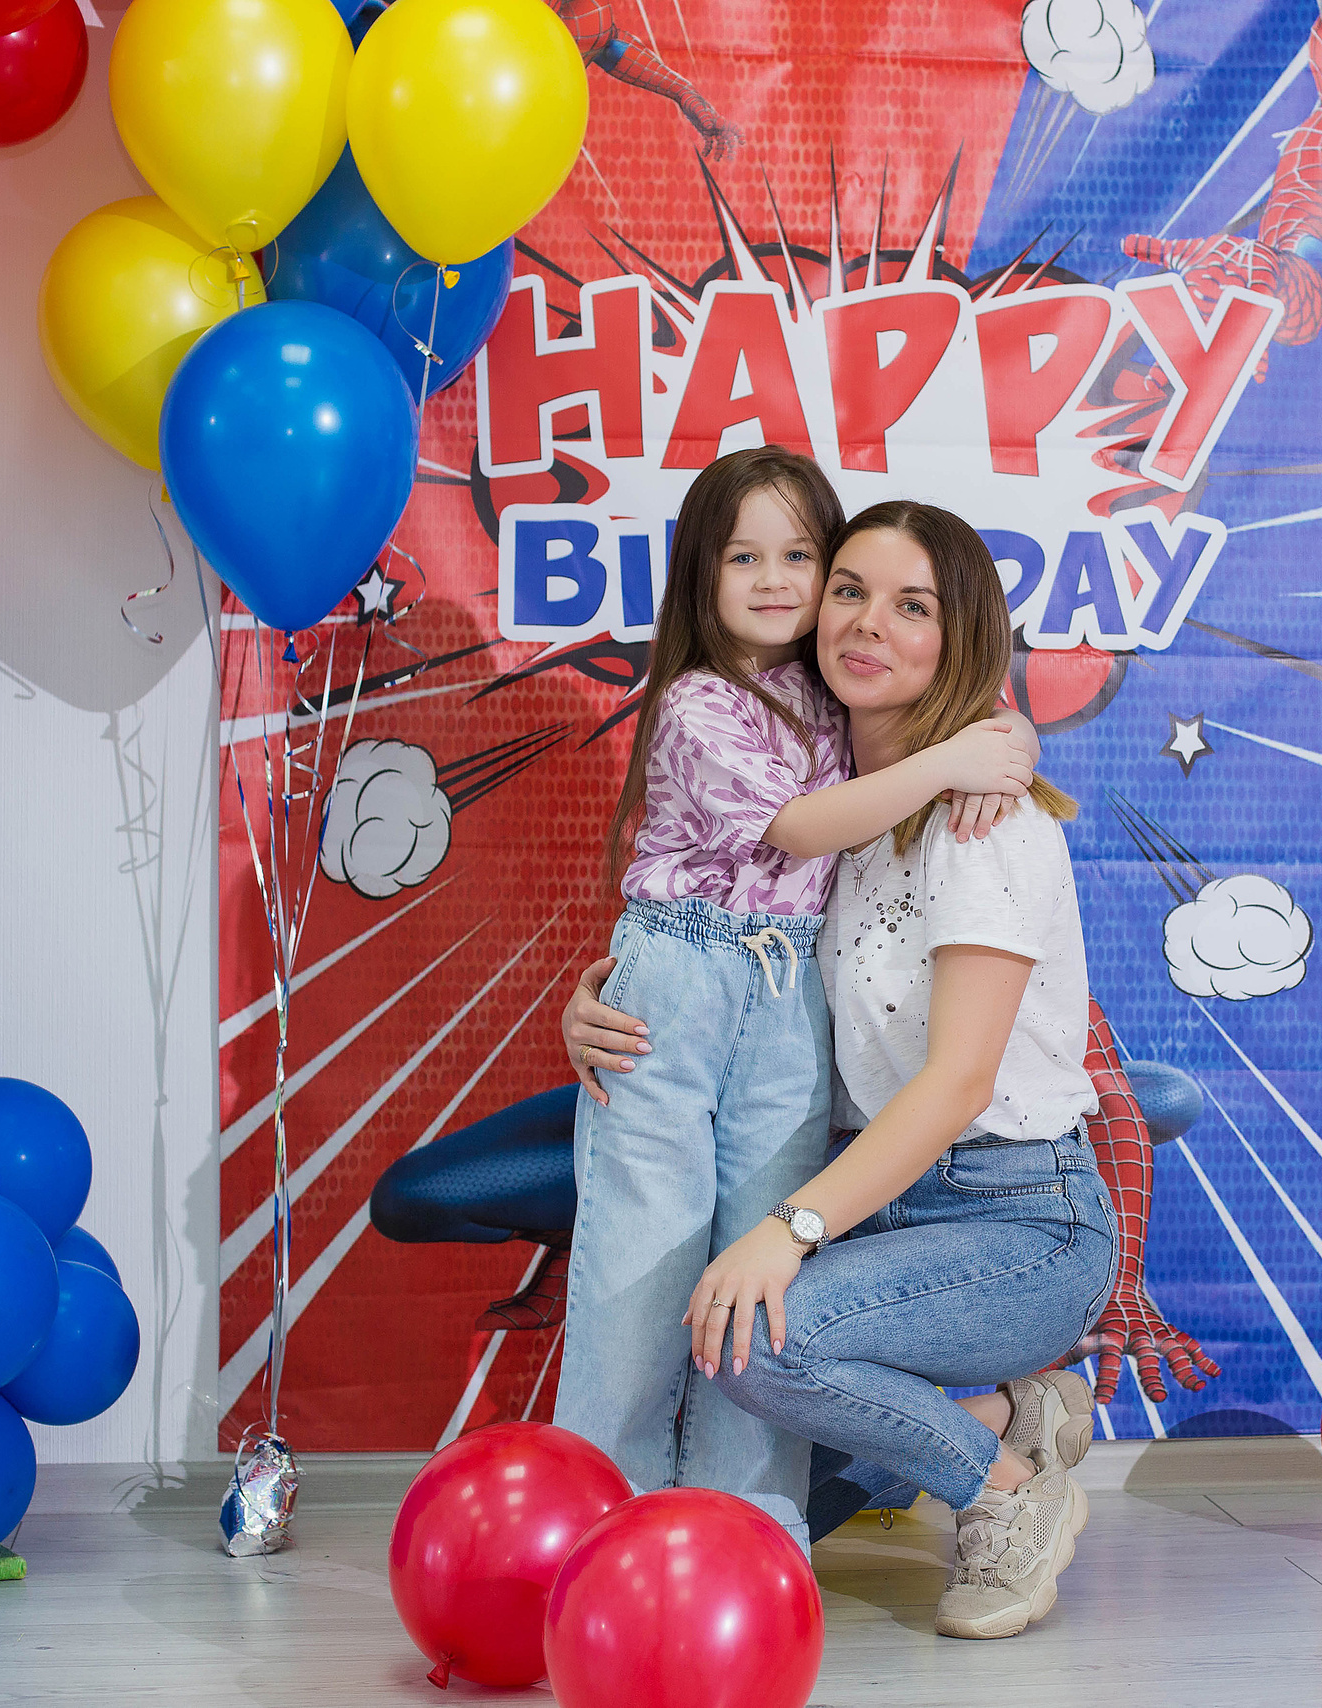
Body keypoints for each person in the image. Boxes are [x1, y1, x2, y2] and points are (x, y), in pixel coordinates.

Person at [565, 500, 1120, 1640]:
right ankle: (1008, 1410)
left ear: (959, 633)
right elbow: (722, 940)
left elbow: (960, 1083)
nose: (867, 622)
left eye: (912, 605)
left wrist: (792, 1232)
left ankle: (1012, 1491)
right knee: (778, 1483)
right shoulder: (835, 811)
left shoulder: (981, 827)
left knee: (751, 1337)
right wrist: (603, 998)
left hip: (1017, 1221)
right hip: (884, 1214)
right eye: (851, 589)